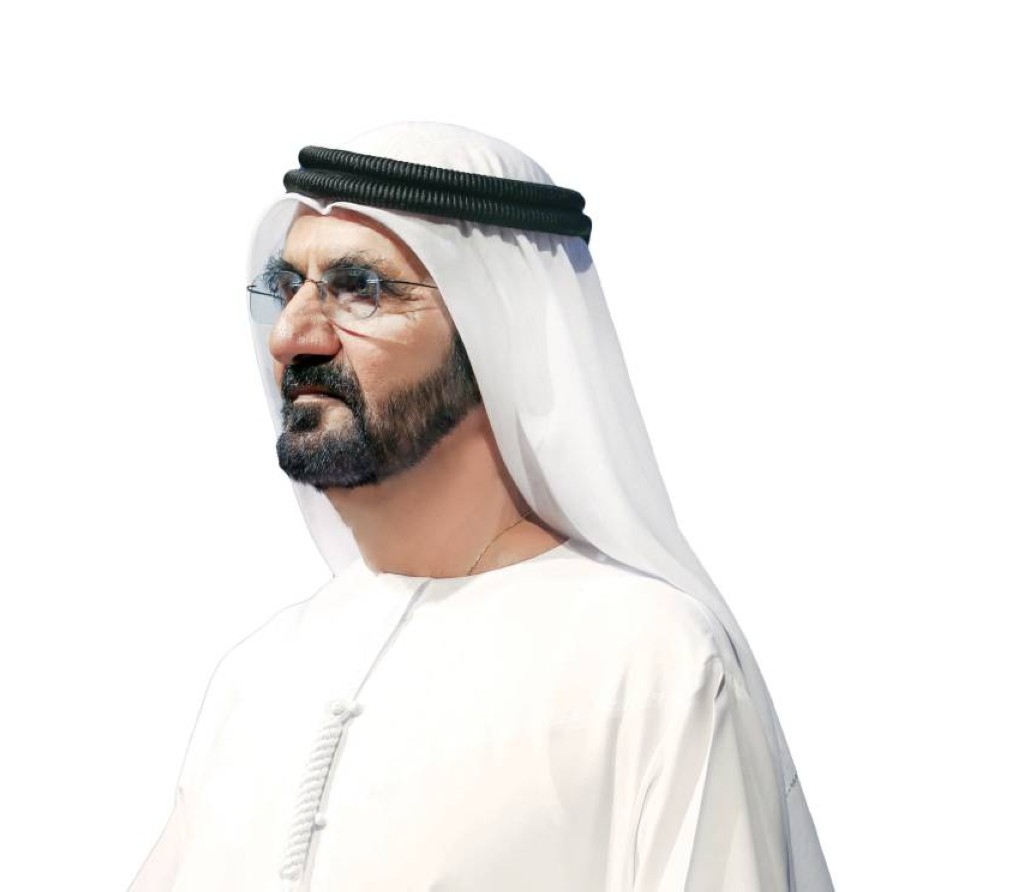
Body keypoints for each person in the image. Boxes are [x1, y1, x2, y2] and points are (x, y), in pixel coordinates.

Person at [128, 122, 834, 891]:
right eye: (287, 287)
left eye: (359, 289)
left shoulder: (650, 662)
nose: (292, 335)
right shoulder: (259, 675)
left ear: (502, 329)